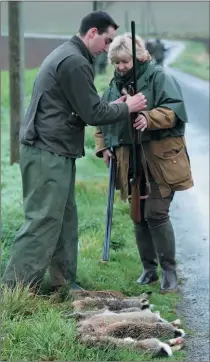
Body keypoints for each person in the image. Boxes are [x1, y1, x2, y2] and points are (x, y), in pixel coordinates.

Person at [3, 12, 147, 292]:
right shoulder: (74, 61)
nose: (107, 48)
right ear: (92, 33)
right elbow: (93, 113)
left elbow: (85, 105)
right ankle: (15, 291)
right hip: (46, 150)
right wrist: (128, 107)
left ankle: (63, 284)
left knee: (66, 218)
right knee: (43, 219)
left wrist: (115, 105)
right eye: (106, 41)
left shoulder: (70, 55)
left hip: (55, 149)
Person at [94, 33, 194, 293]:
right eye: (116, 63)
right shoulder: (114, 87)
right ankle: (149, 270)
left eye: (125, 61)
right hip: (130, 161)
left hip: (160, 158)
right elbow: (101, 121)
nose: (121, 67)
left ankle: (169, 273)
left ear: (137, 57)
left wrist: (150, 118)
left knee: (156, 214)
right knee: (138, 216)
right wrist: (104, 147)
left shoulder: (159, 77)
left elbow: (175, 109)